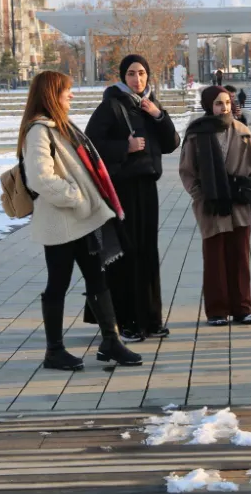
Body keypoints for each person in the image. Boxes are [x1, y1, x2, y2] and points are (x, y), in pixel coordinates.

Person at [19, 71, 142, 370]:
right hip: (61, 222)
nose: (71, 95)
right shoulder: (39, 130)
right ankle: (54, 351)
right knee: (57, 284)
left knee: (98, 278)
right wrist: (76, 196)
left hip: (82, 221)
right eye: (66, 91)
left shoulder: (61, 126)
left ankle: (111, 341)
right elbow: (40, 178)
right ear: (51, 94)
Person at [84, 55, 180, 342]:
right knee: (124, 254)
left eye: (141, 73)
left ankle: (150, 319)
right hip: (122, 190)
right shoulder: (111, 105)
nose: (137, 79)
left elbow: (171, 143)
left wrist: (158, 116)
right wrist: (124, 147)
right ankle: (124, 321)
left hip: (147, 188)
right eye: (130, 74)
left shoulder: (151, 104)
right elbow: (91, 145)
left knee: (148, 252)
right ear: (122, 77)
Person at [179, 86, 251, 327]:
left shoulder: (242, 131)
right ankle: (216, 310)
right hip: (212, 204)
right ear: (209, 106)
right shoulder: (197, 134)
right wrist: (199, 194)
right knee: (215, 257)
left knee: (239, 256)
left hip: (238, 202)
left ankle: (242, 308)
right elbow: (187, 170)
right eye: (218, 103)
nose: (224, 107)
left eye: (227, 102)